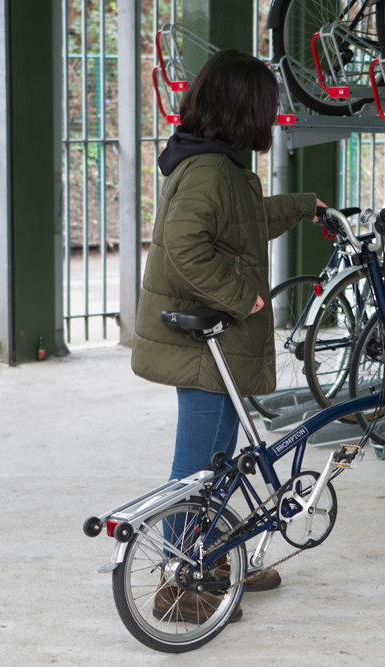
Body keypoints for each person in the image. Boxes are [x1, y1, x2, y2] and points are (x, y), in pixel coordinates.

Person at [130, 48, 325, 622]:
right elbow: (189, 243)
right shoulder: (211, 170)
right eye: (265, 106)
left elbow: (242, 220)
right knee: (195, 469)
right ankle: (177, 580)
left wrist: (300, 207)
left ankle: (212, 559)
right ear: (241, 108)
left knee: (216, 463)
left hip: (212, 349)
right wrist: (244, 297)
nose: (271, 116)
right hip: (202, 350)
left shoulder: (218, 163)